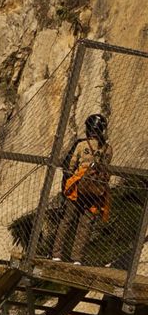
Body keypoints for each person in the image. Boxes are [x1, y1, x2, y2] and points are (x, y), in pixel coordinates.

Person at [49, 112, 113, 264]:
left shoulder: (82, 145)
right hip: (96, 190)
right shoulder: (108, 149)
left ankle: (56, 254)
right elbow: (107, 167)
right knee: (86, 223)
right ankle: (77, 258)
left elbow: (70, 166)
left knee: (67, 220)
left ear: (88, 128)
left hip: (78, 187)